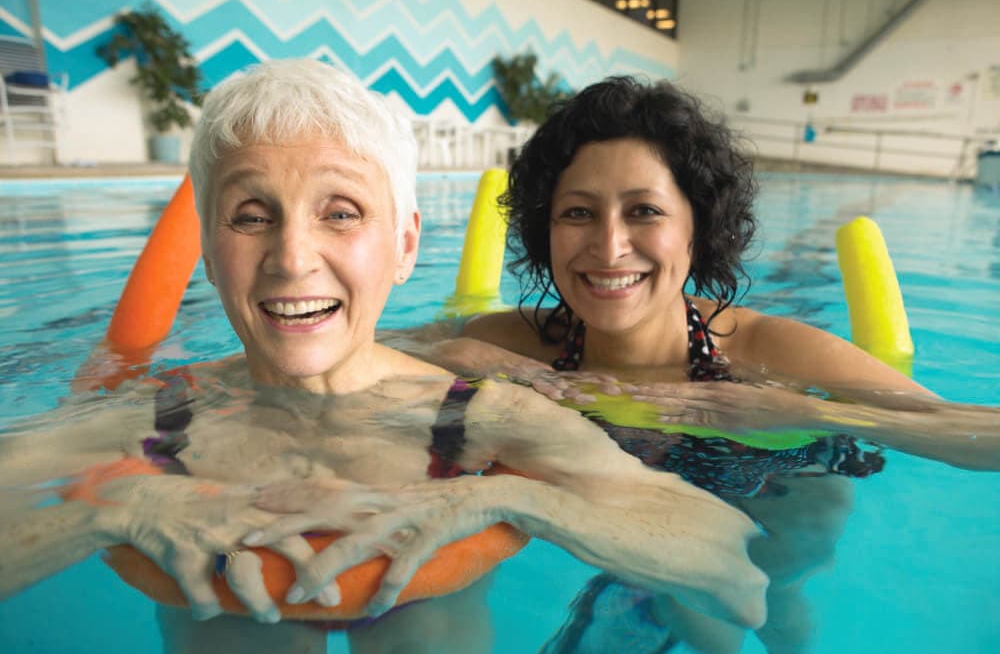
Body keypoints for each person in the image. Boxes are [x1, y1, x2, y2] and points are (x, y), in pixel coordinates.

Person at [0, 60, 770, 654]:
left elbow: (734, 576)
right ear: (208, 252)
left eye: (341, 212)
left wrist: (510, 500)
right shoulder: (160, 418)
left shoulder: (478, 414)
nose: (292, 257)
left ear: (404, 246)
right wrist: (110, 512)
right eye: (250, 215)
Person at [388, 76, 1000, 653]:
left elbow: (978, 433)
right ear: (544, 229)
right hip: (636, 469)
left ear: (696, 229)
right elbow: (365, 346)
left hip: (779, 470)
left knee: (765, 606)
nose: (608, 247)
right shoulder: (516, 342)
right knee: (698, 618)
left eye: (644, 211)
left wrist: (797, 408)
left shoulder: (768, 352)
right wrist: (470, 356)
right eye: (578, 213)